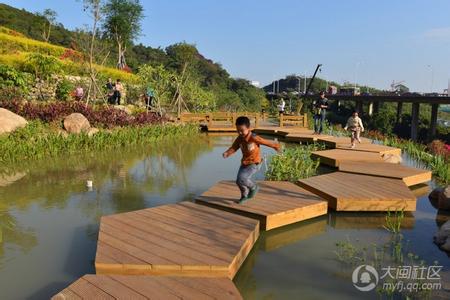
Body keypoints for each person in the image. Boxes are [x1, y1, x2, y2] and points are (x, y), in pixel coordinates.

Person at [223, 116, 281, 203]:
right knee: (238, 181)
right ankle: (244, 195)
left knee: (242, 178)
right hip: (245, 163)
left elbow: (265, 142)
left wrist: (276, 146)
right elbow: (234, 147)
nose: (240, 132)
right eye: (238, 130)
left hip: (255, 163)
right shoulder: (239, 139)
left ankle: (254, 187)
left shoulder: (254, 137)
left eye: (242, 130)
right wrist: (227, 153)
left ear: (248, 128)